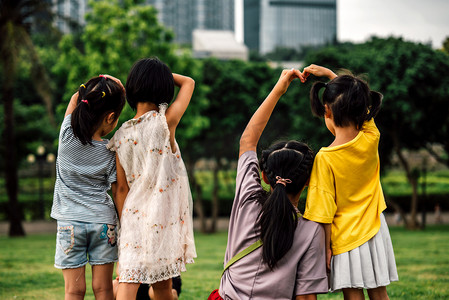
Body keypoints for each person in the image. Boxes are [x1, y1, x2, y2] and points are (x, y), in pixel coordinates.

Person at [211, 69, 328, 300]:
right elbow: (306, 297)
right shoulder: (312, 231)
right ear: (308, 182)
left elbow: (248, 141)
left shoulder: (247, 200)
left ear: (264, 176)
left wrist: (279, 89)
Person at [302, 64, 399, 300]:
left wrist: (324, 249)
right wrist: (332, 77)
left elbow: (322, 212)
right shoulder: (371, 137)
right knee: (380, 294)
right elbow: (359, 102)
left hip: (344, 238)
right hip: (376, 229)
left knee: (353, 295)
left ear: (327, 111)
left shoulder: (325, 158)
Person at [108, 57, 196, 300]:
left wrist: (126, 225)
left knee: (127, 281)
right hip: (162, 219)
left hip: (133, 217)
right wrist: (165, 75)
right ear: (164, 90)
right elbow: (188, 82)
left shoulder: (121, 135)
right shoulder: (164, 123)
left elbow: (121, 189)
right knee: (162, 288)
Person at [51, 74, 126, 300]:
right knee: (103, 289)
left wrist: (103, 80)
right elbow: (118, 191)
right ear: (110, 117)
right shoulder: (111, 150)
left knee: (74, 290)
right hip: (103, 223)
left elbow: (77, 96)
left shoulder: (66, 136)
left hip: (69, 223)